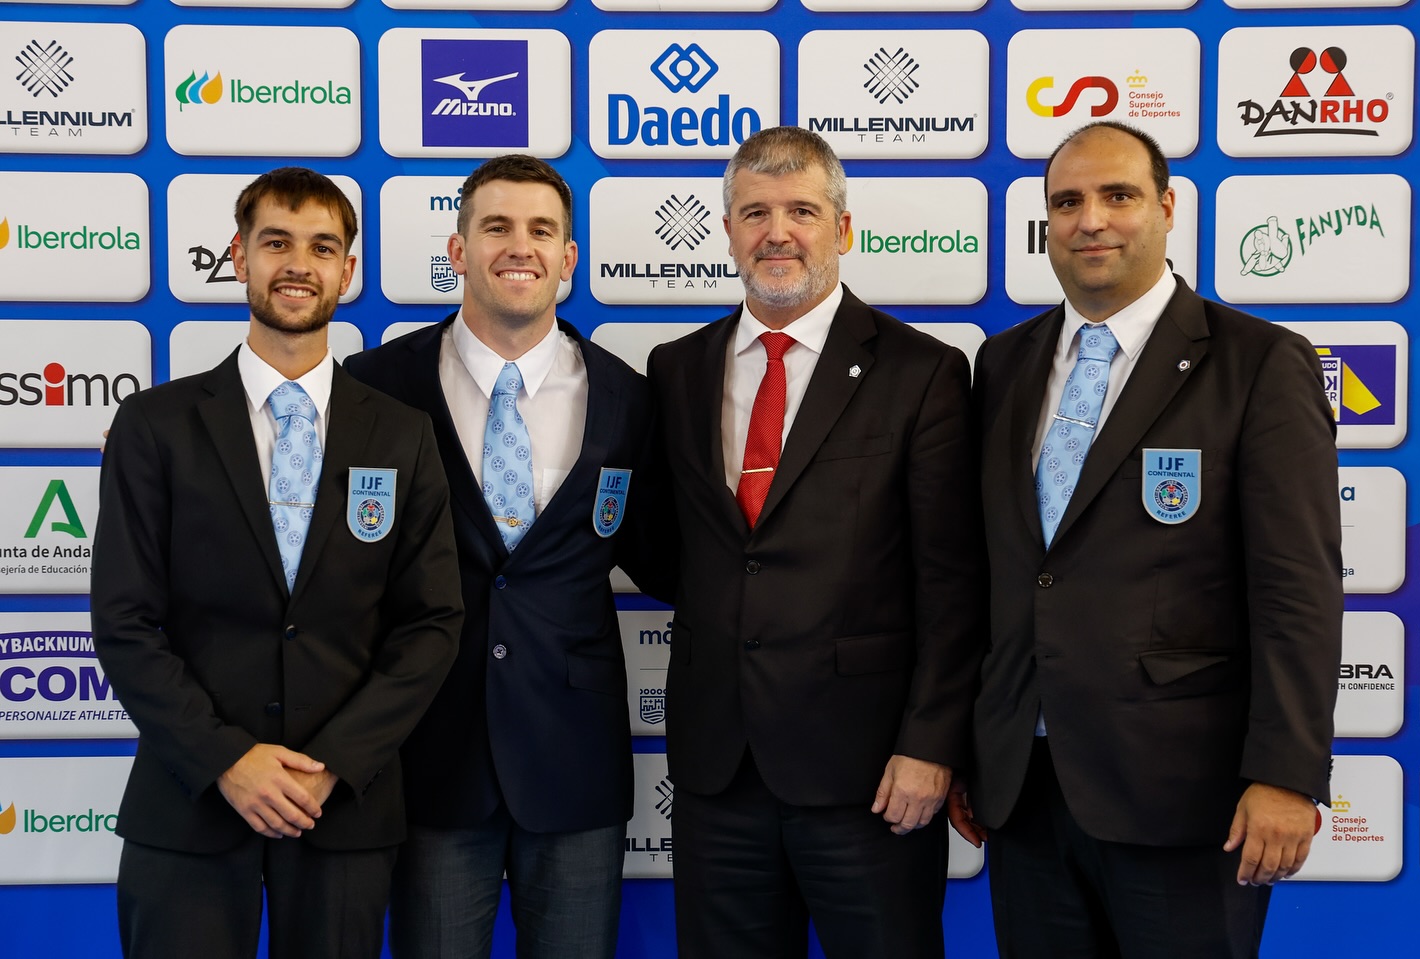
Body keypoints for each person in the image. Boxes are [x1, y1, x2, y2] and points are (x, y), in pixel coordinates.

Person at [956, 121, 1343, 958]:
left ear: (1167, 208)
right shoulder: (1004, 364)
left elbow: (1298, 591)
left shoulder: (1258, 363)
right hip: (1023, 788)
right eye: (1068, 202)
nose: (1090, 220)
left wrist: (1285, 774)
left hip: (1185, 794)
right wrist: (965, 747)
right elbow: (999, 572)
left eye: (1118, 195)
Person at [91, 167, 464, 958]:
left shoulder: (402, 434)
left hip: (342, 808)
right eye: (276, 242)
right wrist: (226, 758)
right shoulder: (155, 425)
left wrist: (333, 763)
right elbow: (125, 619)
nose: (299, 264)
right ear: (239, 257)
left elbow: (431, 622)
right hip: (188, 800)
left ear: (347, 270)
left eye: (322, 247)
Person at [645, 125, 985, 959]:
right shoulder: (676, 369)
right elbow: (669, 547)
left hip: (870, 773)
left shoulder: (921, 371)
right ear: (728, 230)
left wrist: (929, 743)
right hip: (718, 770)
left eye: (801, 210)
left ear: (844, 228)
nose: (778, 232)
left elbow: (952, 581)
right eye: (755, 212)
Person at [345, 154, 654, 959]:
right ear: (458, 250)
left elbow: (666, 549)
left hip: (575, 761)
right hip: (431, 758)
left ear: (568, 257)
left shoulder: (629, 396)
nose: (521, 246)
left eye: (541, 230)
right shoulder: (374, 385)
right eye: (497, 227)